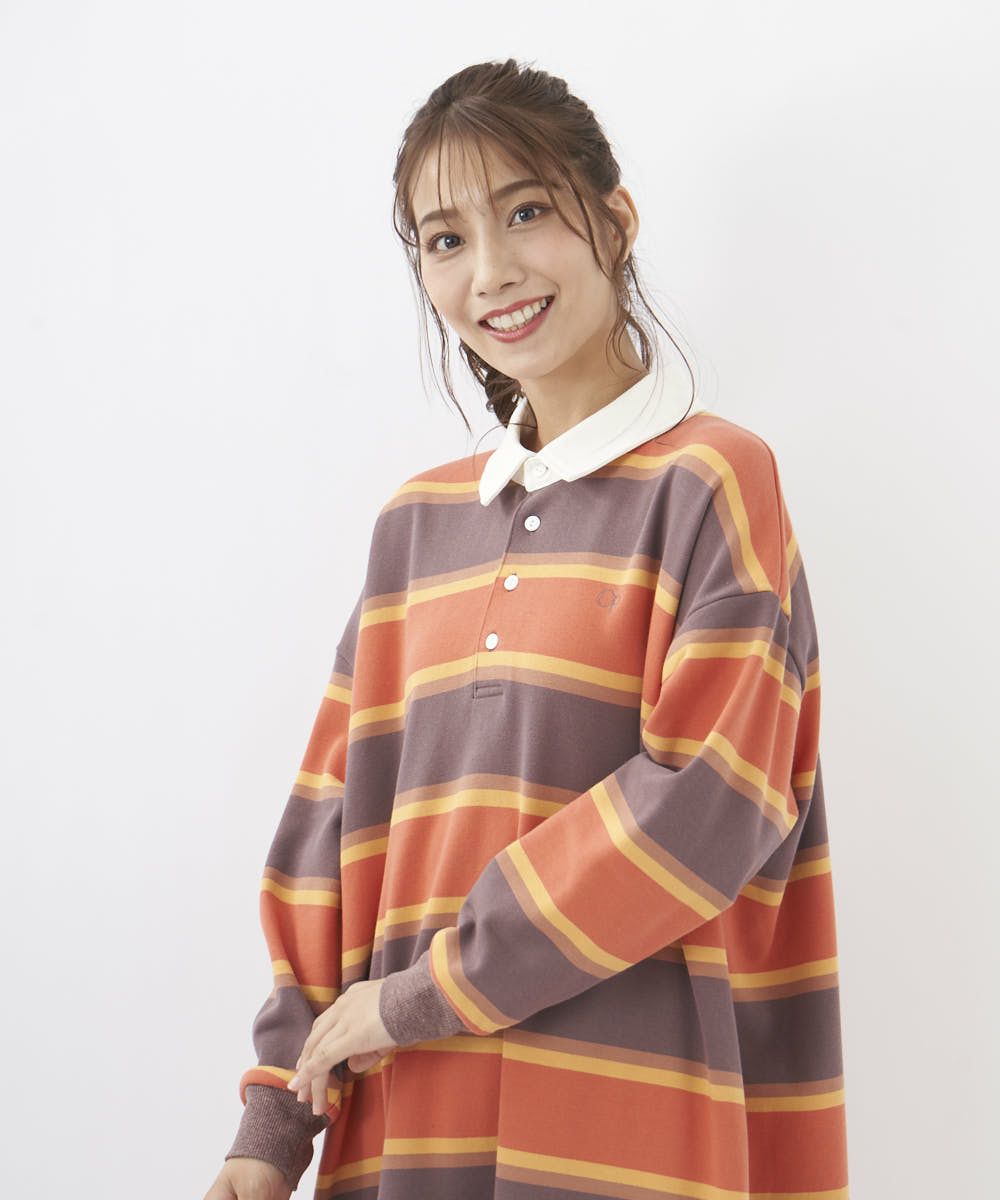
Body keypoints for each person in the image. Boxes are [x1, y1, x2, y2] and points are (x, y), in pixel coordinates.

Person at [204, 57, 849, 1200]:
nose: (491, 271)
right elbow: (330, 833)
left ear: (615, 218)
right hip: (409, 1122)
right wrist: (272, 1123)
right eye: (444, 240)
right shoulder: (416, 526)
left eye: (526, 212)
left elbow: (705, 805)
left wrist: (420, 994)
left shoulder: (712, 482)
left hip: (627, 1126)